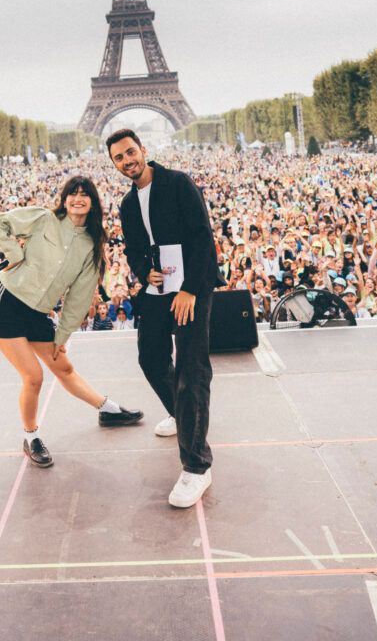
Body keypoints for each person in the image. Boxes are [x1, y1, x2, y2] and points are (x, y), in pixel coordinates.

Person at [0, 175, 143, 468]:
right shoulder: (43, 219)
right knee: (33, 376)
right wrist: (14, 252)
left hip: (38, 311)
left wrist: (63, 334)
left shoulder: (92, 244)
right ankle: (31, 437)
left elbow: (80, 296)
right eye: (72, 193)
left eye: (84, 195)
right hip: (7, 303)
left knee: (64, 366)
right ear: (64, 198)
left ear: (93, 203)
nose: (78, 199)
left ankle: (107, 409)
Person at [107, 129, 223, 508]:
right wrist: (145, 273)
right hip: (159, 289)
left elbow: (203, 237)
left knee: (192, 369)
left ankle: (197, 466)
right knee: (150, 357)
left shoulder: (178, 183)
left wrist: (190, 288)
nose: (127, 161)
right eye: (119, 158)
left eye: (130, 152)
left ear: (143, 150)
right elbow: (135, 250)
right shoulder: (126, 204)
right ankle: (182, 415)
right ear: (115, 165)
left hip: (192, 285)